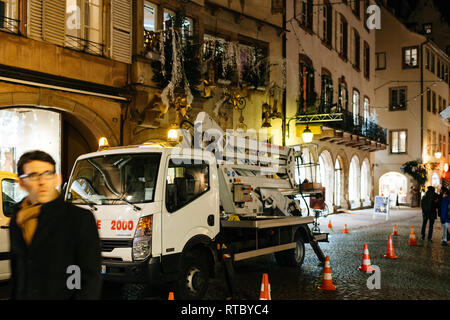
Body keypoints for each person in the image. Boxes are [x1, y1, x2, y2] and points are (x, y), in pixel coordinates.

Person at [9, 150, 102, 299]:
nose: (42, 181)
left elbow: (87, 277)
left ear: (57, 179)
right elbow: (18, 273)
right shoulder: (17, 219)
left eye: (48, 174)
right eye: (33, 175)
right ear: (21, 182)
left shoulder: (78, 218)